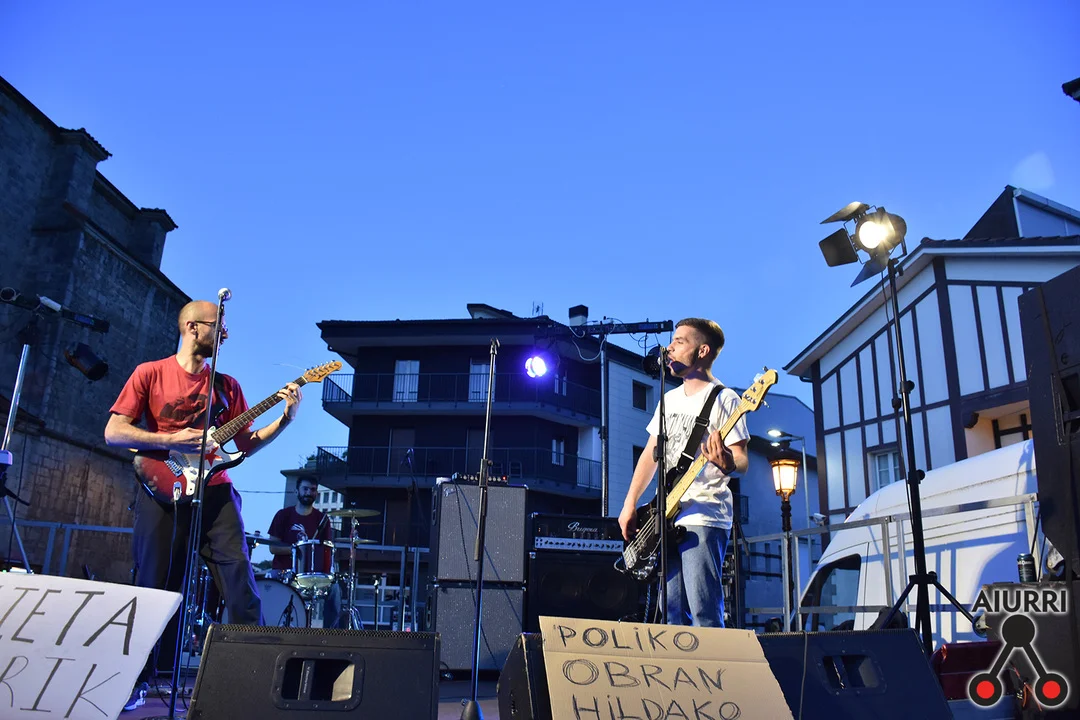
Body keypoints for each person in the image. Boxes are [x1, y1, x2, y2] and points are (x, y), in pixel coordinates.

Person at [104, 299, 302, 709]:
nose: (225, 333)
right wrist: (170, 440)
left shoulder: (226, 386)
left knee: (242, 585)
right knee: (156, 589)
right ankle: (139, 680)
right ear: (192, 327)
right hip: (163, 491)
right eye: (219, 325)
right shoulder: (150, 373)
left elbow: (245, 443)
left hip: (216, 492)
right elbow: (114, 432)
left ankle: (257, 682)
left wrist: (285, 420)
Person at [618, 318, 749, 628]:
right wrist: (629, 503)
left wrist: (727, 462)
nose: (670, 348)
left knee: (703, 609)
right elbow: (650, 456)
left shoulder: (725, 398)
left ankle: (715, 659)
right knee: (671, 612)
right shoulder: (669, 399)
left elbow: (742, 459)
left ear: (702, 351)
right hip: (666, 513)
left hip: (703, 512)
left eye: (679, 341)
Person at [267, 476, 342, 628]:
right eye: (305, 489)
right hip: (284, 571)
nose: (309, 492)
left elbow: (326, 549)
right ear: (297, 491)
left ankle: (331, 634)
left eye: (313, 490)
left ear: (316, 494)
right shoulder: (283, 515)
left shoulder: (322, 519)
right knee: (269, 581)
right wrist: (296, 550)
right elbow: (273, 548)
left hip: (310, 575)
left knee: (335, 589)